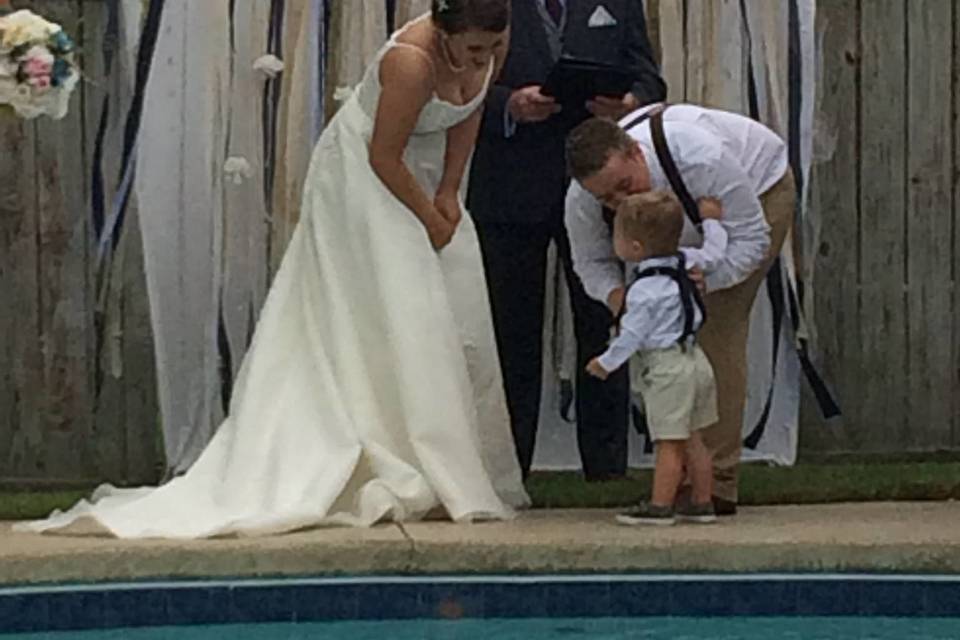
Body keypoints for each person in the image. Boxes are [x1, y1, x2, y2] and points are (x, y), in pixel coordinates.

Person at [17, 0, 529, 539]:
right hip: (366, 179)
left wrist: (449, 191)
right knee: (400, 304)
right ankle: (379, 443)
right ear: (446, 33)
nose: (486, 57)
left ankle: (440, 456)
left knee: (453, 303)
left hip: (423, 172)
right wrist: (427, 217)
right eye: (474, 49)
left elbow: (467, 111)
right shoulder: (410, 62)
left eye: (493, 48)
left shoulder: (491, 35)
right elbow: (383, 156)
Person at [467, 0, 666, 481]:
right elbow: (457, 81)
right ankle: (508, 468)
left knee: (604, 322)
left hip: (600, 195)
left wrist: (628, 104)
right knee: (511, 334)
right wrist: (510, 105)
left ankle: (606, 470)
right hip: (509, 189)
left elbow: (649, 79)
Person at [565, 103, 794, 515]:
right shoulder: (582, 201)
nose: (620, 200)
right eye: (607, 197)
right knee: (668, 338)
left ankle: (718, 483)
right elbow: (590, 263)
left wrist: (709, 281)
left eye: (624, 184)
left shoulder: (700, 155)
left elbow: (751, 240)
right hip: (686, 222)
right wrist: (621, 299)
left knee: (715, 328)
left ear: (635, 152)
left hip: (760, 189)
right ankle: (685, 469)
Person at [586, 191, 726, 525]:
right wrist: (711, 220)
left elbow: (631, 335)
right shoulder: (687, 263)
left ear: (634, 248)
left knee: (669, 441)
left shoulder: (645, 291)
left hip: (666, 367)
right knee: (695, 436)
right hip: (696, 358)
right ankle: (703, 501)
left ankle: (660, 505)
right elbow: (716, 253)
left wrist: (606, 362)